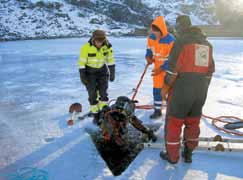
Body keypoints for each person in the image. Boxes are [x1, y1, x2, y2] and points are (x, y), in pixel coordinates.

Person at [160, 15, 215, 164]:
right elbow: (210, 71)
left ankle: (172, 157)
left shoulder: (181, 42)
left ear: (180, 27)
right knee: (193, 122)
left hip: (182, 91)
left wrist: (165, 87)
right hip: (200, 92)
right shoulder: (207, 45)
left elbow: (172, 70)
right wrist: (202, 87)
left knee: (174, 123)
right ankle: (188, 153)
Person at [78, 30, 115, 123]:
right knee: (92, 95)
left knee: (103, 93)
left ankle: (104, 112)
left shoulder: (107, 47)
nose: (99, 43)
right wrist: (83, 76)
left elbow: (110, 60)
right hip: (89, 73)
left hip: (102, 71)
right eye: (98, 41)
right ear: (93, 39)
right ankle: (96, 115)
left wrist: (112, 72)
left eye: (101, 41)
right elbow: (81, 63)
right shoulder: (85, 48)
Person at [145, 16, 175, 119]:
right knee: (157, 90)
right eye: (153, 31)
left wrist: (162, 68)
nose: (154, 34)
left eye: (156, 32)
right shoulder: (151, 38)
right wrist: (148, 56)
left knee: (170, 91)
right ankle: (157, 111)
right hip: (157, 69)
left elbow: (173, 58)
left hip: (169, 71)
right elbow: (149, 49)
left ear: (161, 30)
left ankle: (172, 112)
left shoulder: (171, 40)